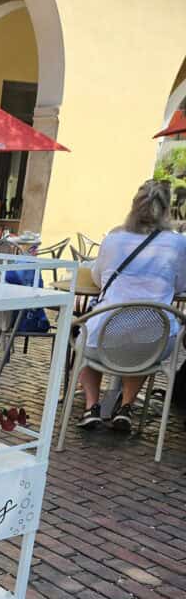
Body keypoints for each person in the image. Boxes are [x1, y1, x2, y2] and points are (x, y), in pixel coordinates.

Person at [77, 179, 186, 432]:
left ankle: (91, 406)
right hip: (154, 340)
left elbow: (97, 277)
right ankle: (125, 407)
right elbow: (181, 283)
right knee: (143, 346)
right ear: (166, 209)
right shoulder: (178, 243)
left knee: (83, 339)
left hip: (104, 336)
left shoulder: (114, 238)